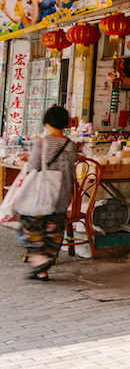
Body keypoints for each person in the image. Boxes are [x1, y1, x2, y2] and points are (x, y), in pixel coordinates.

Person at [18, 106, 78, 281]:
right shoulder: (71, 145)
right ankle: (43, 268)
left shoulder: (42, 142)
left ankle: (40, 261)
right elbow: (69, 171)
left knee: (31, 226)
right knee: (54, 229)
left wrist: (26, 160)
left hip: (42, 195)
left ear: (46, 122)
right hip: (62, 194)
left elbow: (33, 167)